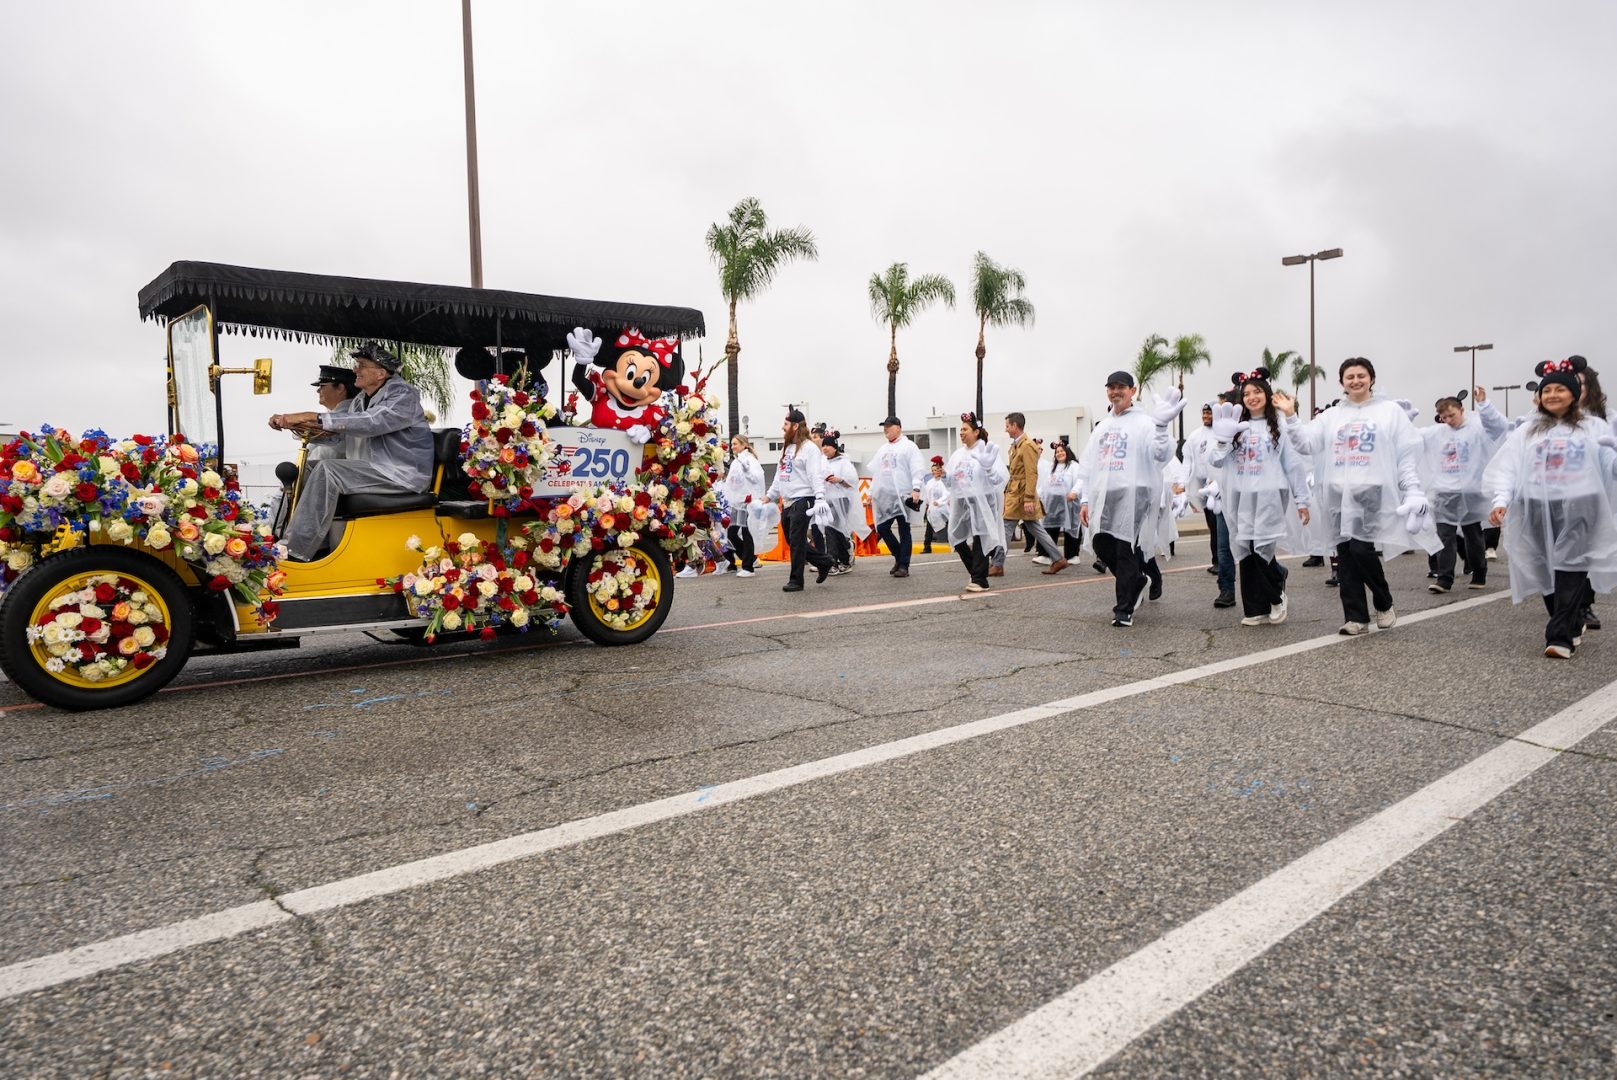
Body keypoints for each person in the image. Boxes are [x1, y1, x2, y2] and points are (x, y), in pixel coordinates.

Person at [1275, 357, 1437, 636]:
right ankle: (1356, 616)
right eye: (1349, 377)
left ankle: (1383, 601)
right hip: (1337, 492)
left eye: (1361, 375)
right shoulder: (1331, 416)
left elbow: (1406, 453)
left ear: (1371, 378)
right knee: (1345, 553)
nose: (1356, 381)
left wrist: (1412, 489)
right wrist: (1291, 416)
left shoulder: (1390, 412)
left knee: (1362, 549)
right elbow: (1305, 444)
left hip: (1371, 491)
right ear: (1342, 383)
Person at [1483, 357, 1617, 658]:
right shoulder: (1528, 430)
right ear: (1540, 397)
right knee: (1542, 567)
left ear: (1573, 394)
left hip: (1581, 504)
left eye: (1560, 389)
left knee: (1571, 567)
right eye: (1547, 391)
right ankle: (1568, 622)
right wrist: (1501, 500)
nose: (1553, 395)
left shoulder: (1593, 427)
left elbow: (1610, 469)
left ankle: (1559, 637)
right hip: (1536, 506)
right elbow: (1507, 468)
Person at [270, 341, 435, 562]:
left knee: (329, 470)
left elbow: (373, 422)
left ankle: (294, 553)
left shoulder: (402, 393)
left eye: (361, 365)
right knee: (307, 468)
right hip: (375, 470)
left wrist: (313, 416)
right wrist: (294, 425)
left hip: (401, 474)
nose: (355, 370)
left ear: (380, 373)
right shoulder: (361, 399)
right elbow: (340, 437)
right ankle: (288, 539)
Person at [1079, 372, 1183, 627]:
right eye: (1111, 387)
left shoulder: (1145, 423)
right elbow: (1089, 466)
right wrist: (1084, 499)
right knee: (1101, 544)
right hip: (1105, 495)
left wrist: (1161, 428)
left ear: (1132, 391)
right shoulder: (1102, 427)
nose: (1116, 392)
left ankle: (1123, 609)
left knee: (1124, 548)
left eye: (1121, 387)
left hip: (1135, 495)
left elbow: (1161, 454)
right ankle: (1136, 580)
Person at [1208, 370, 1310, 626]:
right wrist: (1222, 440)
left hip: (1269, 496)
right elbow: (1215, 460)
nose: (1252, 397)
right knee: (1245, 550)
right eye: (1247, 394)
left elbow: (1293, 464)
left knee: (1262, 547)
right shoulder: (1233, 427)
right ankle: (1255, 608)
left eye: (1257, 392)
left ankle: (1276, 596)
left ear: (1267, 394)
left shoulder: (1279, 426)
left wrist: (1302, 500)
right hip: (1240, 497)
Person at [1421, 386, 1509, 593]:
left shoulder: (1478, 428)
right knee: (1445, 534)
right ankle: (1444, 578)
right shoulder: (1437, 433)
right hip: (1445, 492)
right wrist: (1402, 419)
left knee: (1472, 534)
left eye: (1451, 415)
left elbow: (1498, 427)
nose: (1449, 420)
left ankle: (1479, 572)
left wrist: (1484, 405)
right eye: (1444, 417)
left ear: (1461, 410)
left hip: (1471, 490)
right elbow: (1412, 438)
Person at [764, 407, 834, 592]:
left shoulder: (809, 449)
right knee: (793, 540)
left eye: (785, 424)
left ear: (795, 426)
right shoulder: (788, 448)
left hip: (804, 499)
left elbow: (814, 475)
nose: (782, 428)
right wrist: (770, 495)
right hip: (787, 500)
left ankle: (796, 580)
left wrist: (820, 497)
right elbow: (780, 475)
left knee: (796, 540)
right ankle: (824, 561)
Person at [993, 412, 1068, 576]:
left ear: (1015, 426)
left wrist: (1028, 498)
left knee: (1006, 528)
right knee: (1034, 527)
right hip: (1016, 492)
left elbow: (1031, 473)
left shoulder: (1027, 445)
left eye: (1007, 426)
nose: (1005, 429)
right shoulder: (1017, 445)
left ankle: (997, 564)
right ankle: (1058, 559)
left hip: (1021, 494)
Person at [948, 412, 1009, 595]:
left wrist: (989, 468)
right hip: (962, 503)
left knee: (980, 538)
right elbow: (951, 479)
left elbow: (1000, 480)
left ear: (976, 432)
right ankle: (976, 573)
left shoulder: (985, 451)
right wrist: (944, 477)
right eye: (960, 429)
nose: (961, 432)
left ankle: (980, 579)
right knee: (956, 538)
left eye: (965, 429)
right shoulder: (958, 454)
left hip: (982, 502)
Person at [866, 416, 927, 578]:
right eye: (884, 426)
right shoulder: (883, 449)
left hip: (903, 496)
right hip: (886, 498)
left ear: (898, 427)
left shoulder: (908, 447)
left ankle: (904, 565)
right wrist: (871, 493)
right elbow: (877, 474)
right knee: (883, 528)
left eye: (889, 426)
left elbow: (917, 468)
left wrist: (916, 488)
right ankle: (899, 556)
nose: (885, 429)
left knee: (904, 529)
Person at [720, 434, 770, 577]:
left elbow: (756, 478)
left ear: (744, 445)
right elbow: (731, 483)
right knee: (732, 534)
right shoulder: (736, 461)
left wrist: (747, 471)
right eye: (731, 444)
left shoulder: (750, 460)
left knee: (748, 534)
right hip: (738, 504)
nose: (732, 447)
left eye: (735, 444)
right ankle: (751, 559)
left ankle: (748, 567)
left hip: (749, 503)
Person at [818, 434, 861, 574]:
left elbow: (853, 482)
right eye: (823, 445)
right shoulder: (822, 462)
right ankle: (845, 557)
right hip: (828, 500)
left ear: (835, 447)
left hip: (841, 499)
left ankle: (832, 562)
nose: (825, 448)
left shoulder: (844, 462)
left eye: (828, 445)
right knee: (837, 529)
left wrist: (840, 480)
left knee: (831, 527)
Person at [1040, 438, 1084, 562]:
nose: (1059, 453)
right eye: (1057, 452)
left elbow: (1081, 480)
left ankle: (1072, 555)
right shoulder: (1051, 467)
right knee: (1049, 528)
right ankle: (1046, 555)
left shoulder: (1074, 466)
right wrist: (1039, 496)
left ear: (1067, 452)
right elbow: (1044, 484)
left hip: (1070, 504)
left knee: (1071, 528)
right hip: (1053, 504)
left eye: (1061, 451)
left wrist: (1074, 492)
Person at [921, 455, 950, 554]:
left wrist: (940, 501)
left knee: (950, 525)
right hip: (933, 509)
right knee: (929, 527)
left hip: (943, 507)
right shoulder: (929, 482)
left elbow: (947, 493)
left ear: (940, 470)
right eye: (932, 470)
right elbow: (926, 495)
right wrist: (926, 504)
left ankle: (956, 544)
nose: (934, 472)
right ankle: (927, 547)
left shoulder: (943, 481)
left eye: (936, 469)